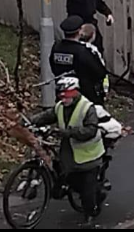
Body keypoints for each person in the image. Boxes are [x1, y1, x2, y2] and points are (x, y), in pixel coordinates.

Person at [32, 77, 105, 225]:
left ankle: (89, 215)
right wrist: (30, 120)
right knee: (73, 182)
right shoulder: (60, 106)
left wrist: (69, 132)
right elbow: (48, 116)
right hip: (70, 155)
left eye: (66, 95)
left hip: (89, 156)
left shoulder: (87, 107)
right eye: (61, 95)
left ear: (74, 92)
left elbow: (91, 130)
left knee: (87, 189)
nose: (62, 98)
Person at [50, 16, 108, 105]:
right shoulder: (83, 51)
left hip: (61, 95)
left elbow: (53, 66)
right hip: (84, 98)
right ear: (80, 31)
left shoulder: (56, 47)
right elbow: (99, 72)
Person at [80, 23, 109, 100]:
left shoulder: (74, 47)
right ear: (93, 35)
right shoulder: (93, 50)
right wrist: (105, 90)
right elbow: (102, 72)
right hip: (91, 86)